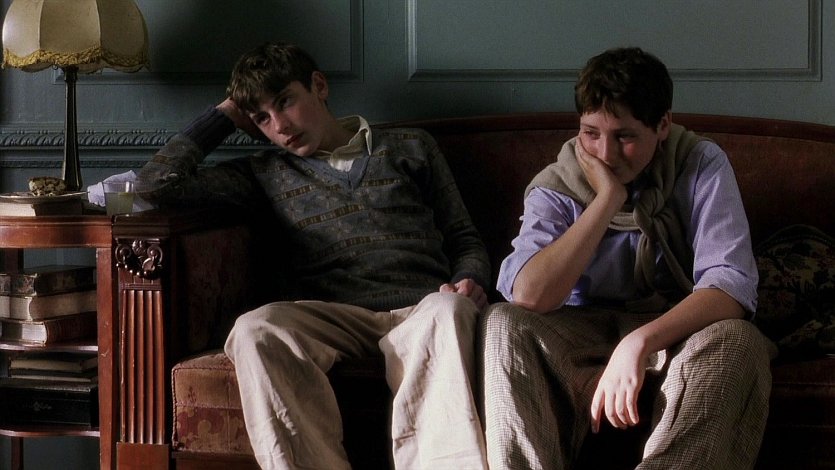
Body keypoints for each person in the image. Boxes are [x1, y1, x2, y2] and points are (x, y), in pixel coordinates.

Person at [136, 41, 490, 470]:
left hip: (422, 307)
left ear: (318, 86)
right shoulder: (266, 173)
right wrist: (227, 113)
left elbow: (464, 237)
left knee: (451, 309)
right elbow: (154, 185)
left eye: (285, 102)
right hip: (330, 316)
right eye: (262, 118)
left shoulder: (410, 147)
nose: (280, 126)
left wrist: (470, 280)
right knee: (254, 329)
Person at [481, 47, 774, 469]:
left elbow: (730, 285)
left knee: (739, 340)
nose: (605, 154)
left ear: (663, 125)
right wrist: (607, 200)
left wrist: (638, 342)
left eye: (624, 137)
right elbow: (529, 294)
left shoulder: (700, 163)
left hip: (673, 329)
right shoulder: (559, 181)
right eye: (590, 133)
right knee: (503, 323)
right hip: (578, 329)